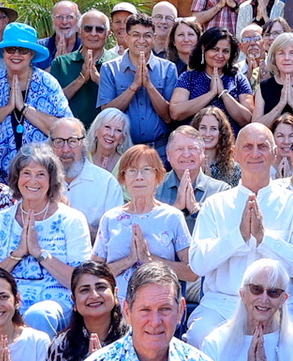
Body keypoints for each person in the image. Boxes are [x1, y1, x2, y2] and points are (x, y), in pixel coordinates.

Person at [190, 124, 293, 336]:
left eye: (263, 146)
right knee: (199, 335)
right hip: (223, 304)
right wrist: (237, 238)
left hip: (278, 305)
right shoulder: (216, 205)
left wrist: (264, 239)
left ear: (275, 153)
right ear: (235, 154)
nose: (255, 153)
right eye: (248, 147)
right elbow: (198, 264)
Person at [0, 143, 92, 334]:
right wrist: (17, 254)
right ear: (17, 178)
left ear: (51, 180)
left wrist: (39, 253)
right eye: (26, 173)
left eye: (40, 174)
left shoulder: (72, 219)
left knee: (38, 315)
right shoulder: (0, 220)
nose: (33, 180)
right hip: (7, 298)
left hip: (55, 301)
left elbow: (81, 281)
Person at [94, 144, 197, 286]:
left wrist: (149, 259)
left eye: (146, 170)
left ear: (158, 177)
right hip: (118, 303)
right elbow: (93, 274)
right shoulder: (110, 219)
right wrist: (129, 260)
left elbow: (192, 272)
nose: (139, 177)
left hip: (159, 302)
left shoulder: (172, 217)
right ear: (123, 178)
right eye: (132, 171)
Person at [0, 21, 72, 175]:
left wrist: (24, 108)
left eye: (23, 50)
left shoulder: (47, 83)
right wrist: (8, 108)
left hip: (41, 176)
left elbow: (64, 129)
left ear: (32, 54)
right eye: (11, 49)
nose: (16, 55)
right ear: (3, 53)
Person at [97, 13, 178, 155]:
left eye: (147, 35)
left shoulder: (168, 68)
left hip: (159, 151)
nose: (141, 40)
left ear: (153, 38)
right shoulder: (109, 69)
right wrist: (133, 87)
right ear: (126, 37)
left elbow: (169, 116)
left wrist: (149, 86)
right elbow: (107, 114)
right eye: (136, 35)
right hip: (122, 151)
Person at [49, 115, 123, 234]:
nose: (66, 149)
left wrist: (75, 219)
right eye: (59, 142)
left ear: (84, 144)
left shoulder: (107, 184)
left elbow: (114, 236)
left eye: (73, 141)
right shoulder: (41, 182)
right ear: (51, 146)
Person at [50, 9, 113, 127]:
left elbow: (125, 100)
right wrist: (81, 79)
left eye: (99, 29)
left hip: (107, 135)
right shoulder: (61, 63)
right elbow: (53, 102)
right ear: (80, 31)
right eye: (88, 29)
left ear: (108, 33)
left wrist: (99, 80)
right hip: (69, 135)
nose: (93, 34)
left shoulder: (116, 63)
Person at [158, 126, 229, 227]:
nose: (186, 155)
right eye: (179, 149)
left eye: (192, 148)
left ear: (202, 152)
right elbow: (148, 231)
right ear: (168, 154)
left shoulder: (221, 190)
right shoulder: (154, 188)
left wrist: (195, 209)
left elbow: (225, 230)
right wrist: (176, 208)